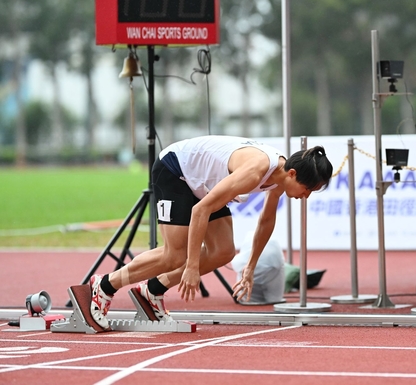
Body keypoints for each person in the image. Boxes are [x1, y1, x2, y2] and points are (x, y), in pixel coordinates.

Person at [89, 135, 333, 329]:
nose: (306, 196)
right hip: (176, 169)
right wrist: (192, 266)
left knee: (223, 252)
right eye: (308, 189)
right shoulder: (255, 171)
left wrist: (250, 267)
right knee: (175, 256)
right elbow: (200, 211)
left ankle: (152, 290)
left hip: (203, 184)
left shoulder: (281, 176)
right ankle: (106, 285)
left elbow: (266, 220)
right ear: (292, 174)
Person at [231, 232, 285, 304]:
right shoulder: (273, 244)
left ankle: (248, 299)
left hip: (246, 265)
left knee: (246, 298)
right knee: (275, 299)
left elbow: (235, 262)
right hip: (273, 267)